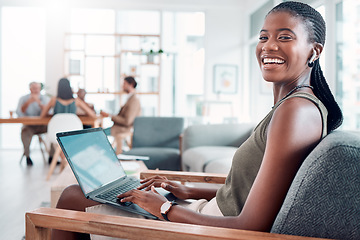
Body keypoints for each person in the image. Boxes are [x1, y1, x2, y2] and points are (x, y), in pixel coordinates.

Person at [52, 2, 343, 239]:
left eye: (285, 37)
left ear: (314, 51)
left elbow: (250, 225)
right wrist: (186, 189)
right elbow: (250, 191)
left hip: (208, 228)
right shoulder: (295, 107)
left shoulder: (296, 112)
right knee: (97, 192)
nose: (268, 46)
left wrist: (164, 207)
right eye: (264, 36)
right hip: (205, 211)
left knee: (72, 196)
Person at [100, 76, 141, 154]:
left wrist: (110, 115)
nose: (122, 86)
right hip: (119, 127)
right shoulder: (130, 98)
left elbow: (127, 121)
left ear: (131, 84)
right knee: (101, 132)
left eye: (124, 83)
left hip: (124, 128)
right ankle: (110, 152)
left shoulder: (134, 100)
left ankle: (107, 153)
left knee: (100, 134)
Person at [16, 82, 51, 166]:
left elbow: (49, 112)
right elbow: (19, 113)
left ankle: (52, 157)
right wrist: (28, 103)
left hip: (43, 126)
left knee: (53, 130)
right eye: (34, 88)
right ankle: (27, 156)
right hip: (29, 126)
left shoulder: (45, 98)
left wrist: (39, 103)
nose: (36, 90)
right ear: (30, 89)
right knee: (24, 131)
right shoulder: (23, 99)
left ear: (40, 89)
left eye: (37, 88)